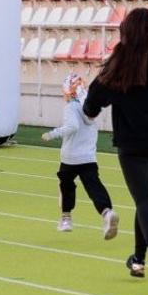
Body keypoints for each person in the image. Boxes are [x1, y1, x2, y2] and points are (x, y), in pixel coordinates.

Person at [83, 7, 148, 288]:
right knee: (146, 200)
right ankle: (139, 260)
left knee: (143, 201)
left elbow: (91, 103)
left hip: (131, 144)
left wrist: (94, 109)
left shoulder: (117, 67)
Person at [42, 73, 119, 238]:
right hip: (88, 157)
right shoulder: (89, 106)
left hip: (70, 157)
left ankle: (66, 218)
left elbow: (72, 126)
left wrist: (52, 134)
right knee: (94, 186)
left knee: (66, 186)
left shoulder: (71, 107)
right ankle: (106, 212)